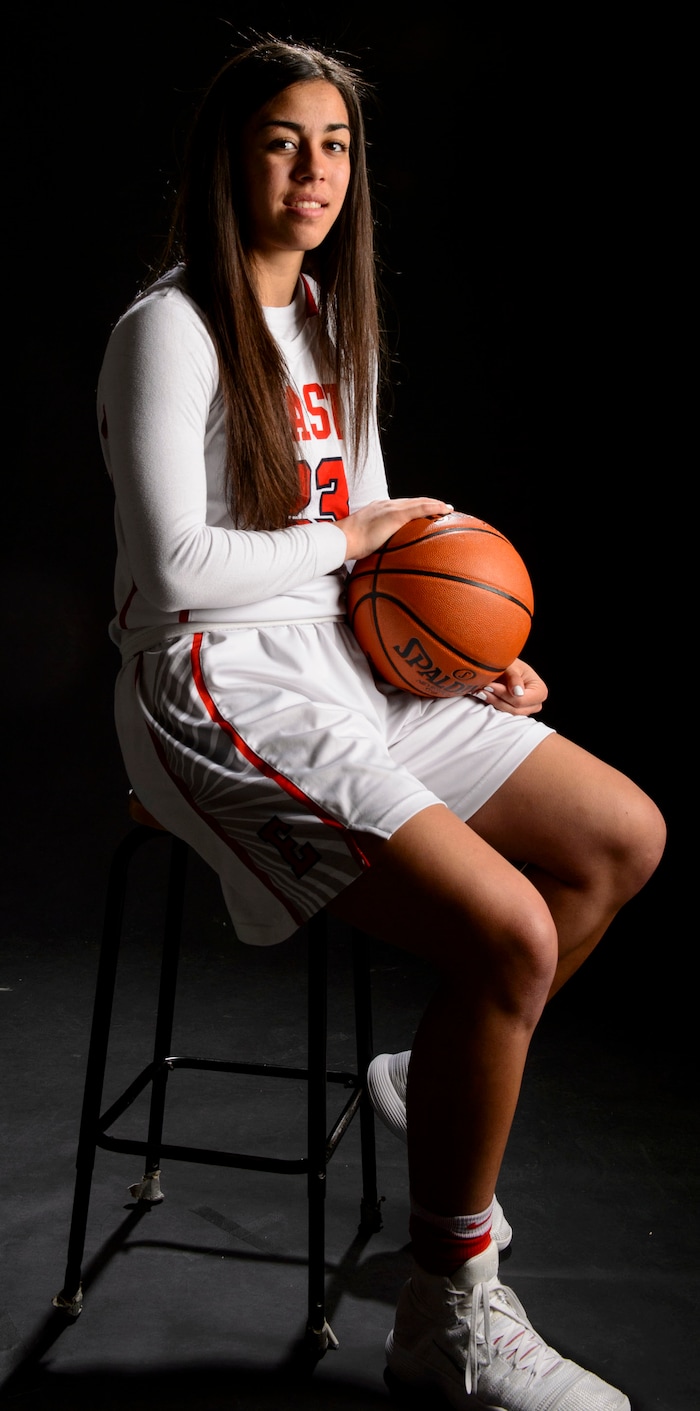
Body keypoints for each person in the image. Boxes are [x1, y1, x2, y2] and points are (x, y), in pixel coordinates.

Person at [96, 37, 665, 1410]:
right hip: (215, 684)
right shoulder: (166, 328)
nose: (314, 171)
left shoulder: (332, 331)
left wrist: (456, 663)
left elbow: (383, 571)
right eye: (285, 141)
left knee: (618, 840)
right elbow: (178, 570)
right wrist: (346, 530)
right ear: (230, 155)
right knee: (511, 932)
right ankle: (445, 1310)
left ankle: (434, 1070)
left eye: (336, 145)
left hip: (341, 668)